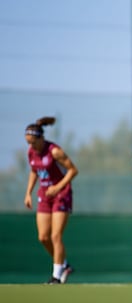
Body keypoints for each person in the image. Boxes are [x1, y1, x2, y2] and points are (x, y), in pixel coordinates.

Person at [24, 117, 77, 284]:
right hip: (44, 196)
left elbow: (73, 170)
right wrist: (28, 193)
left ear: (41, 138)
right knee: (43, 237)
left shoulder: (54, 151)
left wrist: (58, 187)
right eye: (28, 143)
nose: (31, 146)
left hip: (61, 194)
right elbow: (34, 171)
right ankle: (64, 264)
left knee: (55, 236)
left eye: (33, 142)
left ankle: (56, 276)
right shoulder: (31, 152)